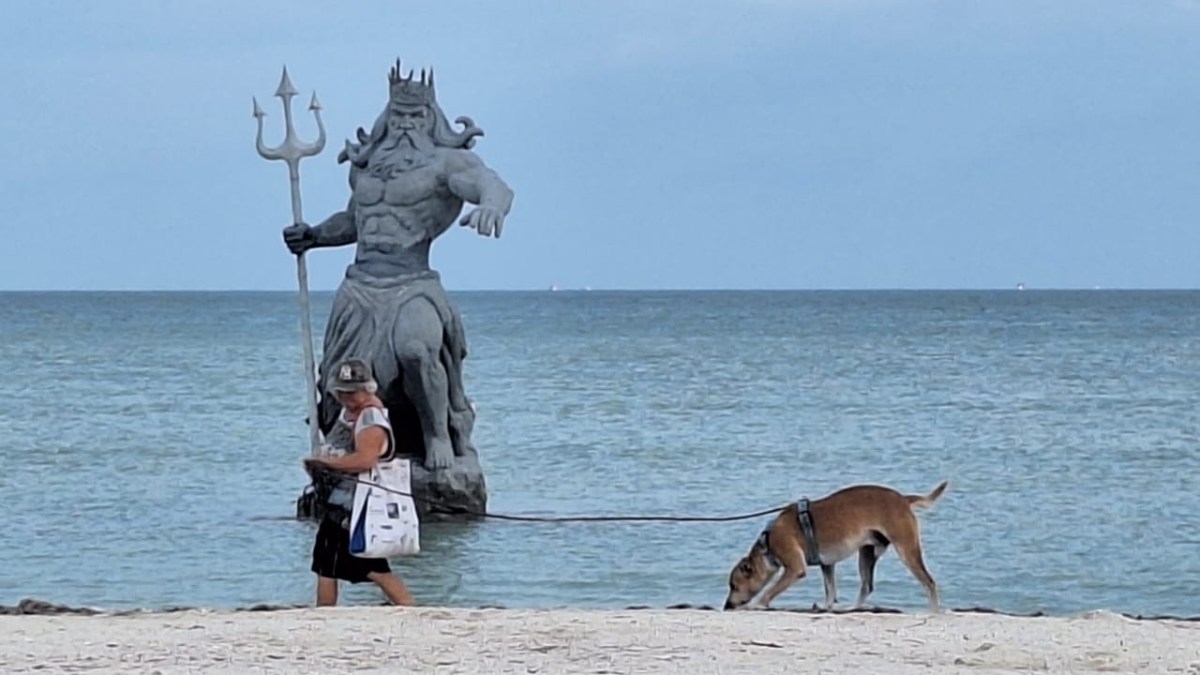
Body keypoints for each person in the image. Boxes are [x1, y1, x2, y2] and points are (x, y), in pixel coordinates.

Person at [304, 358, 414, 607]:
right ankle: (324, 612)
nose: (347, 399)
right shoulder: (350, 416)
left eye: (352, 393)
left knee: (368, 565)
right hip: (342, 502)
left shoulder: (371, 421)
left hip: (358, 506)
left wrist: (326, 464)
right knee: (328, 563)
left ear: (368, 389)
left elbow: (365, 461)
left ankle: (407, 607)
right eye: (342, 393)